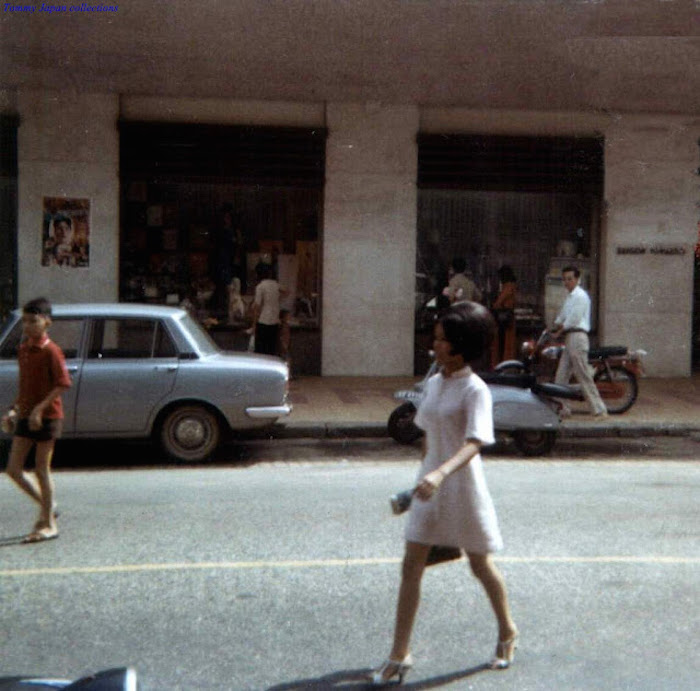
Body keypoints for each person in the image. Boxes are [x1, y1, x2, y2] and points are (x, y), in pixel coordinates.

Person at [371, 302, 518, 685]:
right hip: (429, 489)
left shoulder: (475, 390)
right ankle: (399, 654)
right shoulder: (434, 383)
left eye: (440, 339)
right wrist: (422, 477)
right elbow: (427, 436)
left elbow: (474, 443)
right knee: (411, 566)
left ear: (460, 346)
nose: (433, 345)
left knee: (479, 564)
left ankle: (507, 631)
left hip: (463, 489)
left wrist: (439, 473)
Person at [2, 297, 72, 543]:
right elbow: (26, 386)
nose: (29, 326)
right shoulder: (24, 349)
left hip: (47, 417)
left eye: (34, 321)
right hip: (26, 415)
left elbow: (63, 383)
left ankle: (49, 524)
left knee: (42, 469)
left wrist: (39, 410)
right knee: (13, 469)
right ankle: (48, 506)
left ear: (47, 323)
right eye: (25, 321)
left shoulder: (51, 350)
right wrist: (14, 409)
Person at [550, 266, 608, 419]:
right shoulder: (569, 298)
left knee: (582, 374)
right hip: (569, 338)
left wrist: (559, 331)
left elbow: (573, 319)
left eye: (570, 279)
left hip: (578, 337)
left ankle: (599, 409)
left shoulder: (581, 296)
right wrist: (554, 325)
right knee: (561, 375)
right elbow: (562, 316)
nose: (567, 282)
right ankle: (562, 408)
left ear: (577, 279)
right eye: (565, 279)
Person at [248, 263, 288, 356]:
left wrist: (254, 325)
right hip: (274, 321)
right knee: (271, 350)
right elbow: (287, 291)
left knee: (261, 351)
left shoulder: (260, 287)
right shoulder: (275, 284)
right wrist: (278, 298)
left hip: (263, 321)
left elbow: (257, 308)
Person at [491, 265, 517, 367]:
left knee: (503, 343)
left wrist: (494, 305)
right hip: (508, 316)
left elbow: (498, 303)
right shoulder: (513, 286)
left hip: (503, 317)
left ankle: (502, 363)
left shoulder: (508, 286)